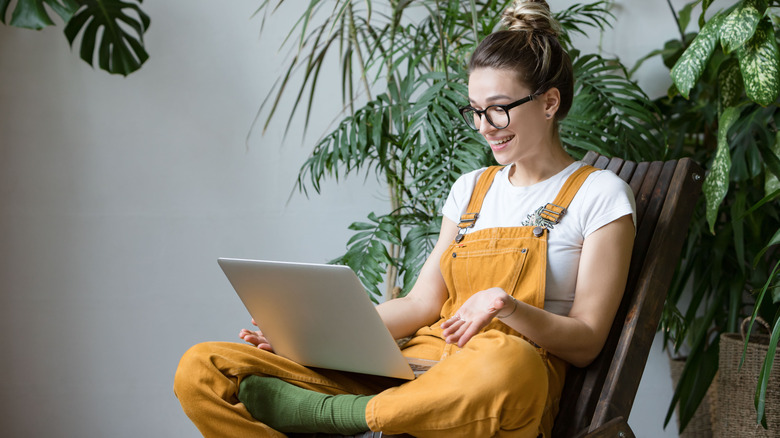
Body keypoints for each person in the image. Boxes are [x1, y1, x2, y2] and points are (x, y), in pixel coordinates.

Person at [173, 0, 636, 436]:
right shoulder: (471, 189)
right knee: (203, 367)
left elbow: (586, 341)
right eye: (475, 111)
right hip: (421, 370)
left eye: (497, 109)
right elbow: (420, 305)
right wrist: (305, 337)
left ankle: (344, 417)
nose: (483, 127)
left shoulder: (600, 195)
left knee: (506, 358)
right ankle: (380, 412)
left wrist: (508, 308)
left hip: (497, 383)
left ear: (550, 102)